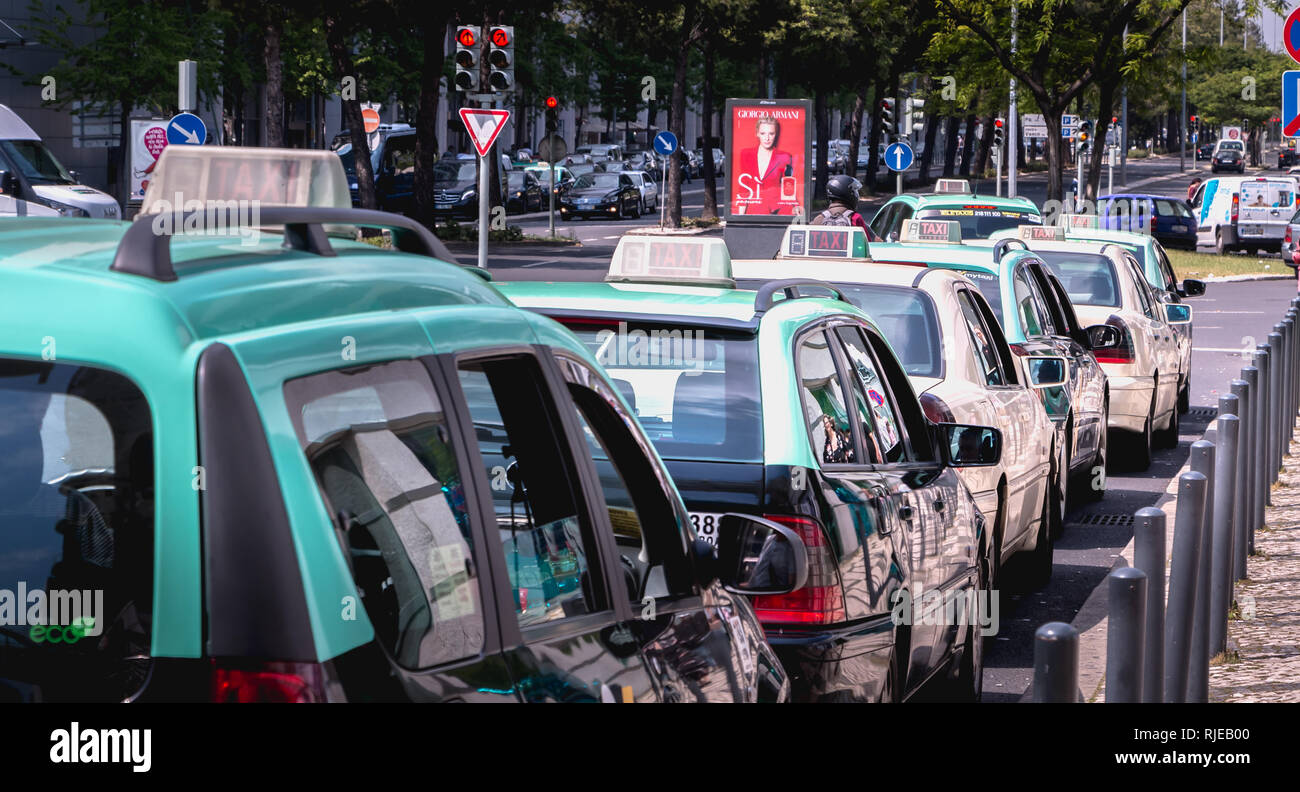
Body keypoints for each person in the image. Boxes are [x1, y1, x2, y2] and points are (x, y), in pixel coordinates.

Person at [735, 114, 795, 215]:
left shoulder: (785, 156)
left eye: (771, 134)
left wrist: (795, 206)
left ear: (776, 135)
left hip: (779, 211)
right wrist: (740, 217)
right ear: (757, 134)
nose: (767, 138)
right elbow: (744, 186)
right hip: (754, 211)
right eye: (763, 133)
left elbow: (788, 187)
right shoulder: (746, 154)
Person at [812, 174, 880, 240]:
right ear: (849, 194)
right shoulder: (855, 218)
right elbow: (871, 243)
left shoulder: (818, 219)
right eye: (854, 191)